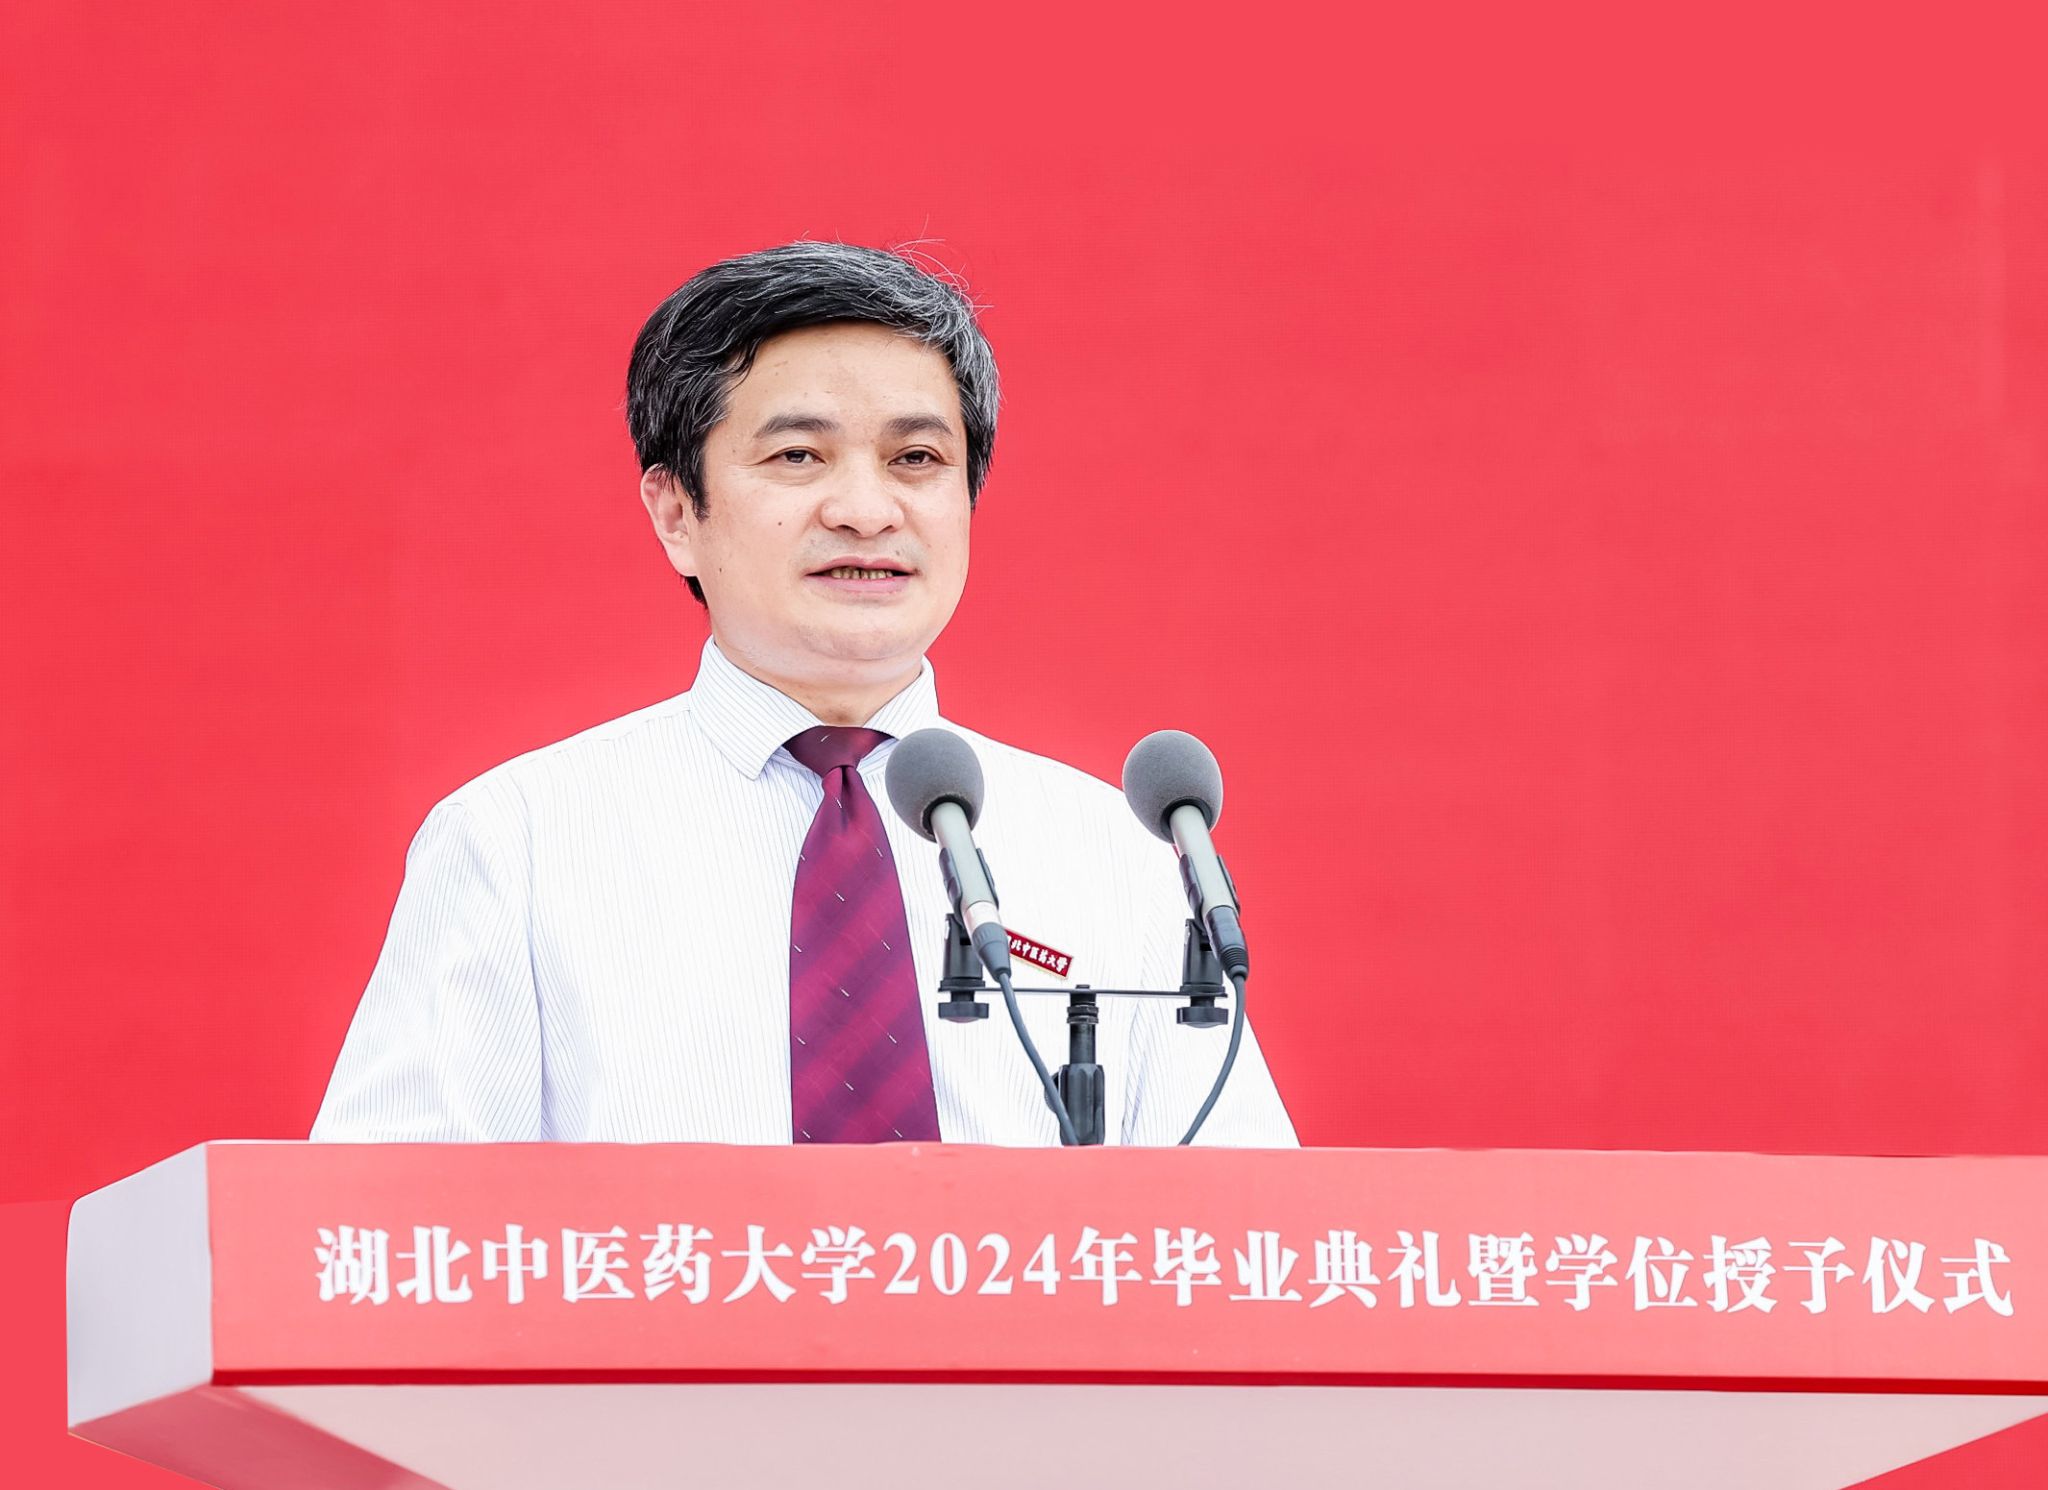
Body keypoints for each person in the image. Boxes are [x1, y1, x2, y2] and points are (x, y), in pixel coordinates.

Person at [311, 241, 1296, 1148]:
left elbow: (1247, 1242)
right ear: (676, 512)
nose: (865, 510)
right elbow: (386, 1233)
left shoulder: (1115, 851)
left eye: (916, 460)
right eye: (798, 456)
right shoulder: (517, 843)